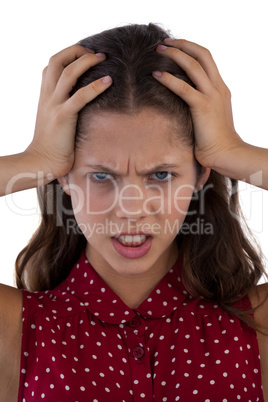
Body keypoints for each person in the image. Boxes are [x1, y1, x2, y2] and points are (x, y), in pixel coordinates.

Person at [0, 23, 267, 402]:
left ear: (200, 174)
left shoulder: (255, 329)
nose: (131, 210)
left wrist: (232, 152)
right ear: (62, 176)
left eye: (161, 174)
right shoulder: (16, 329)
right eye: (101, 176)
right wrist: (35, 159)